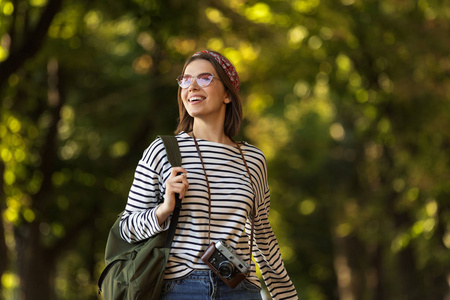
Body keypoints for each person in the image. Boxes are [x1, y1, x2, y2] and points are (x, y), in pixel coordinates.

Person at [119, 50, 298, 300]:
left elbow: (263, 237)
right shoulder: (163, 151)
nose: (191, 86)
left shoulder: (253, 160)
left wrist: (285, 296)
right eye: (185, 79)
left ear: (227, 94)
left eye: (204, 78)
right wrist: (164, 208)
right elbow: (127, 229)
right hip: (181, 289)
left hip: (240, 289)